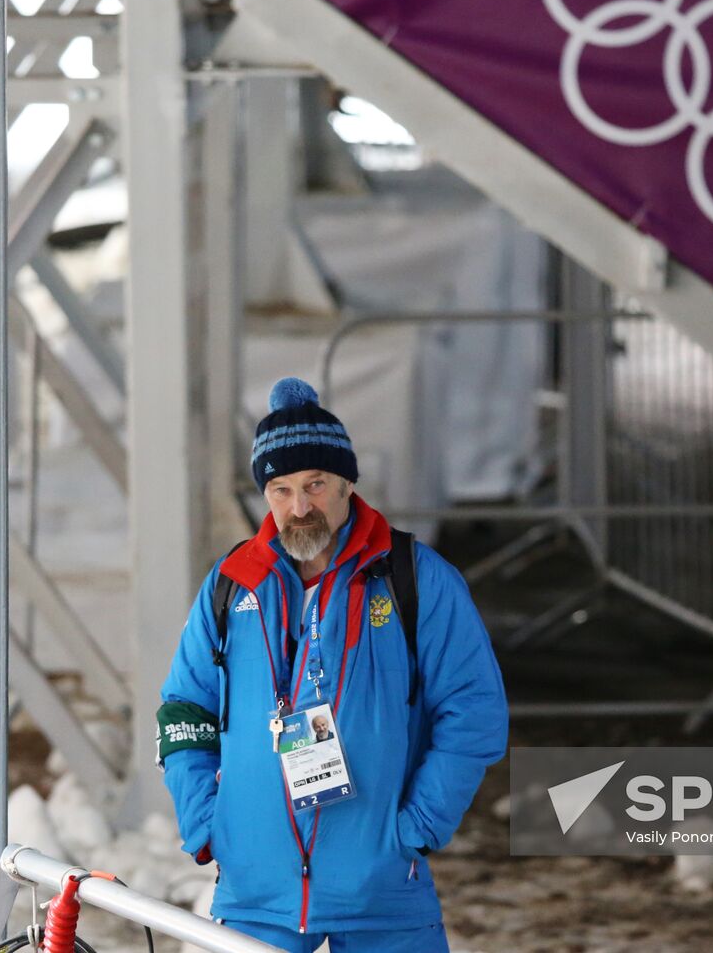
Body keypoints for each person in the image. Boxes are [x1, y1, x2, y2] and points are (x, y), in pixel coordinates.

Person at [156, 377, 508, 952]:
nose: (299, 508)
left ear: (347, 483)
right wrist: (208, 825)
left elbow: (475, 712)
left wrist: (415, 827)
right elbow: (183, 711)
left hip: (381, 891)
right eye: (281, 489)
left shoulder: (414, 580)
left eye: (315, 485)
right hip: (253, 894)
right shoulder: (230, 584)